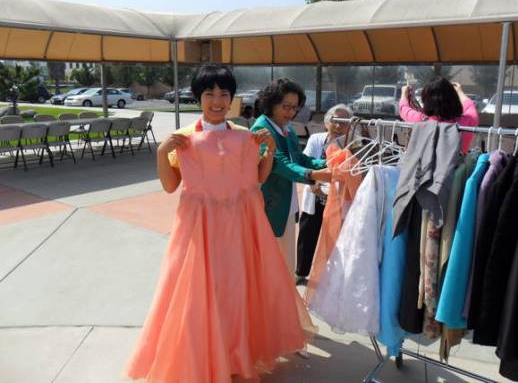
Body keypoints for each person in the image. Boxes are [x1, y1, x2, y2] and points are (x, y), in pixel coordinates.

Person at [126, 66, 313, 383]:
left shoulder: (244, 135)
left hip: (240, 227)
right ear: (198, 98)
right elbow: (170, 186)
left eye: (224, 94)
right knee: (199, 294)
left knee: (237, 292)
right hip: (199, 231)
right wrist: (162, 152)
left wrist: (267, 150)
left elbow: (258, 178)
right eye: (209, 94)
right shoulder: (185, 138)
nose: (217, 101)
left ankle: (235, 354)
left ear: (232, 98)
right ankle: (202, 357)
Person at [251, 78, 332, 275]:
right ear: (271, 103)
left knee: (284, 265)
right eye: (286, 106)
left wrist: (326, 163)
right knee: (270, 268)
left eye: (295, 107)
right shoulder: (261, 128)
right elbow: (279, 164)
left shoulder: (286, 128)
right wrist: (312, 174)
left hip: (286, 204)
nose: (290, 112)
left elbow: (299, 158)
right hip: (269, 206)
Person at [295, 104, 352, 286]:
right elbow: (306, 163)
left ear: (350, 126)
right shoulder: (316, 139)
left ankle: (330, 277)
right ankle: (301, 273)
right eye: (335, 121)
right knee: (307, 234)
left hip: (337, 198)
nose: (338, 126)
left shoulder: (352, 144)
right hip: (315, 193)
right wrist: (314, 183)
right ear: (327, 123)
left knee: (334, 237)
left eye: (343, 122)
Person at [399, 77, 479, 153]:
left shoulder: (421, 120)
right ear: (454, 99)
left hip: (425, 163)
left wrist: (404, 94)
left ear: (426, 100)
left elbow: (404, 109)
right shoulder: (465, 123)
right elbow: (470, 107)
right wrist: (459, 92)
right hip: (456, 163)